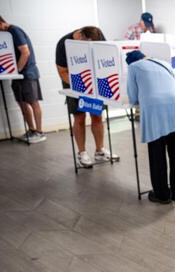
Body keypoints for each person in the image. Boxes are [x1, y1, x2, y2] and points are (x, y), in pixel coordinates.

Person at [126, 50, 175, 204]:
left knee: (157, 153)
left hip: (156, 109)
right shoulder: (164, 63)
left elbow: (133, 96)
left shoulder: (134, 67)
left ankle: (161, 194)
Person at [55, 26, 118, 167]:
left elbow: (107, 56)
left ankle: (100, 151)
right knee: (79, 117)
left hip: (94, 82)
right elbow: (62, 71)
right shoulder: (64, 43)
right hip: (73, 82)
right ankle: (82, 153)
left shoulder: (98, 35)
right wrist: (81, 87)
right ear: (80, 35)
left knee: (97, 115)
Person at [0, 11, 45, 143]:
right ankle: (32, 130)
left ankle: (40, 132)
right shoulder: (6, 35)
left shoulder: (14, 31)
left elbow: (25, 52)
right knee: (21, 102)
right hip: (17, 75)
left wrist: (17, 70)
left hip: (27, 73)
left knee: (33, 102)